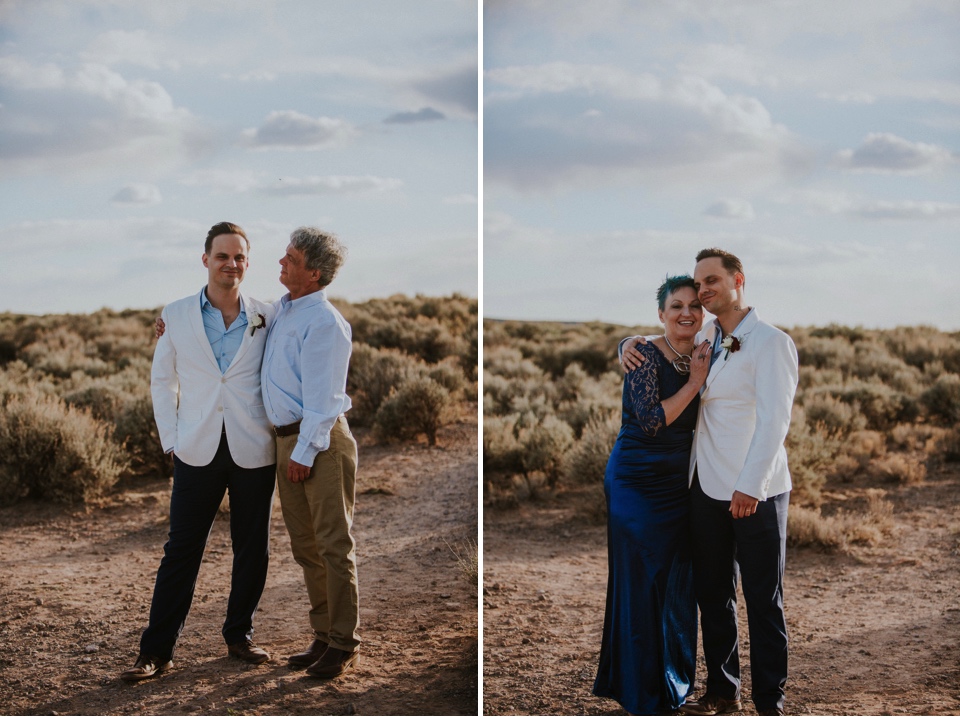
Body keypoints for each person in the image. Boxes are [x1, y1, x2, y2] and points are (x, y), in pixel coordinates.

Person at [620, 248, 799, 716]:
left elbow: (775, 422)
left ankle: (769, 701)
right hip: (705, 490)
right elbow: (661, 335)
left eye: (712, 281)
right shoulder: (705, 337)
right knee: (712, 597)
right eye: (700, 284)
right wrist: (626, 343)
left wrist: (751, 485)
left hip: (756, 491)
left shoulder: (772, 342)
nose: (703, 291)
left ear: (739, 280)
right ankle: (723, 690)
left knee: (763, 600)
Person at [122, 222, 277, 682]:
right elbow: (161, 381)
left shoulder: (268, 315)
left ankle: (239, 636)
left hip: (254, 448)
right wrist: (171, 439)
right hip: (195, 448)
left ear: (247, 263)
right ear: (205, 259)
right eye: (223, 256)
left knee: (253, 549)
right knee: (181, 550)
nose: (231, 264)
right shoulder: (177, 314)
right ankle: (156, 651)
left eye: (240, 257)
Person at [593, 275, 713, 715]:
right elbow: (651, 422)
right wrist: (695, 382)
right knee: (641, 581)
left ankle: (672, 679)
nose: (686, 313)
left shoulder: (705, 349)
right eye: (676, 306)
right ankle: (641, 690)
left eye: (694, 306)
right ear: (661, 315)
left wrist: (698, 372)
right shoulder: (643, 355)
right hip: (635, 482)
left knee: (676, 583)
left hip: (678, 486)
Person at [262, 227, 361, 679]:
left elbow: (323, 400)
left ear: (314, 272)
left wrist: (303, 451)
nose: (281, 262)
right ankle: (323, 635)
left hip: (318, 441)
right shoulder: (283, 309)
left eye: (291, 258)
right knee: (305, 546)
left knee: (333, 543)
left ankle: (343, 642)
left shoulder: (325, 322)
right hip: (288, 440)